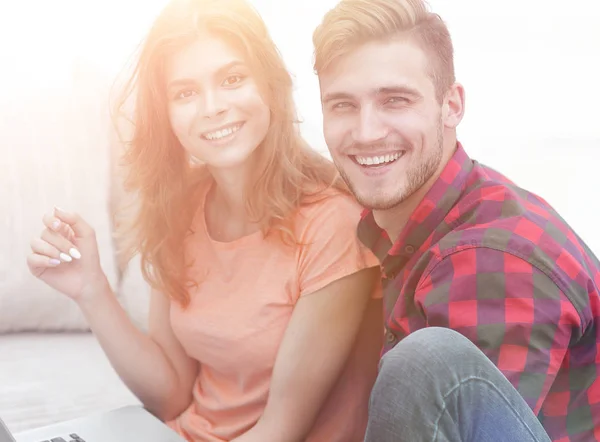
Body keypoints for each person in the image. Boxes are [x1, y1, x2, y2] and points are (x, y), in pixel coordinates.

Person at [26, 0, 384, 441]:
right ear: (167, 115)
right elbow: (173, 395)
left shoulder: (333, 224)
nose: (212, 107)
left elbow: (282, 430)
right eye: (185, 93)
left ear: (270, 85)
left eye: (233, 79)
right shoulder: (178, 208)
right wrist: (92, 291)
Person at [313, 0, 600, 441]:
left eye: (395, 100)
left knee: (426, 361)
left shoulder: (491, 260)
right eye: (343, 105)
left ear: (452, 105)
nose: (366, 132)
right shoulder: (414, 218)